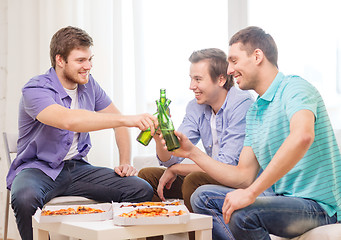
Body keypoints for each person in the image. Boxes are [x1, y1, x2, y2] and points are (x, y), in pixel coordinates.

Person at [164, 26, 341, 240]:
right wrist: (192, 152)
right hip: (282, 201)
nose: (229, 70)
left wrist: (251, 193)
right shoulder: (256, 112)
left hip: (319, 207)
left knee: (244, 214)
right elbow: (243, 176)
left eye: (234, 61)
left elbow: (302, 136)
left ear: (257, 56)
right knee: (202, 196)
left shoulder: (295, 88)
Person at [6, 26, 158, 240]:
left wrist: (125, 161)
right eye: (80, 60)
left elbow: (118, 123)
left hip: (77, 169)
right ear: (60, 60)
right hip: (38, 169)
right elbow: (69, 121)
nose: (88, 66)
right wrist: (127, 119)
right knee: (24, 197)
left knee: (140, 189)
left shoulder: (89, 85)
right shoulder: (36, 89)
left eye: (89, 59)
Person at [138, 48, 254, 212]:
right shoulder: (196, 106)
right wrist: (160, 136)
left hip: (236, 182)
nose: (191, 86)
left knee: (194, 179)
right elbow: (171, 158)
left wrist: (177, 169)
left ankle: (199, 234)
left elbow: (226, 165)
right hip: (211, 176)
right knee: (147, 176)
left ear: (221, 80)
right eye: (191, 79)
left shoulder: (241, 104)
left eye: (198, 79)